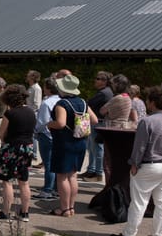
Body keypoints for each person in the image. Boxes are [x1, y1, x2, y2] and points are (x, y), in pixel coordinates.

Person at [110, 87, 162, 236]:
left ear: (152, 102)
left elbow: (140, 147)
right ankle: (158, 235)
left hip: (149, 165)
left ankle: (129, 234)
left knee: (139, 202)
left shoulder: (147, 121)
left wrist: (134, 163)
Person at [47, 74, 98, 217]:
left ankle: (64, 208)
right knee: (73, 176)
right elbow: (94, 120)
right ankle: (71, 207)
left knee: (62, 176)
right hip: (80, 141)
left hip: (64, 143)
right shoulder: (83, 102)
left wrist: (49, 124)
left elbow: (60, 123)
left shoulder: (62, 104)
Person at [0, 84, 36, 221]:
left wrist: (7, 141)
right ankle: (24, 213)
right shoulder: (31, 112)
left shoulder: (10, 113)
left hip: (12, 148)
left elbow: (1, 134)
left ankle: (5, 212)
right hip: (27, 148)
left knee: (7, 181)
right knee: (24, 181)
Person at [81, 71, 112, 182]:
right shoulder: (103, 92)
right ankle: (91, 170)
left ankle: (98, 173)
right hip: (96, 122)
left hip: (99, 122)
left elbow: (89, 104)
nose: (95, 80)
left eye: (98, 79)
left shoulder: (104, 93)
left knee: (97, 148)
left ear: (104, 81)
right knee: (92, 147)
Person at [33, 77, 60, 200]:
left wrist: (36, 131)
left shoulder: (46, 103)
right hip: (58, 135)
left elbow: (42, 122)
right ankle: (55, 189)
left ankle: (47, 190)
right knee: (56, 163)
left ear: (48, 88)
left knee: (48, 164)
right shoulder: (61, 100)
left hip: (46, 135)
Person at [25, 70, 43, 167]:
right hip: (29, 111)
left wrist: (29, 112)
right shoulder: (31, 87)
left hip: (33, 113)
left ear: (32, 77)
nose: (27, 76)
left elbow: (37, 104)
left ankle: (34, 154)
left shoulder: (37, 88)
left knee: (33, 135)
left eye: (28, 75)